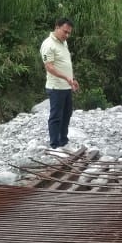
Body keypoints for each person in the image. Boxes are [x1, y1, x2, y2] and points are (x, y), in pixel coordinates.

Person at [40, 18, 79, 148]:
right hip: (56, 87)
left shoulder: (63, 43)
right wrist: (65, 78)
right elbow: (49, 67)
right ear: (56, 27)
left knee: (67, 113)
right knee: (56, 115)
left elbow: (64, 64)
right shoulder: (48, 44)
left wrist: (72, 80)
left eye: (69, 33)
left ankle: (63, 140)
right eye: (65, 32)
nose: (67, 35)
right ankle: (54, 144)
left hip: (66, 86)